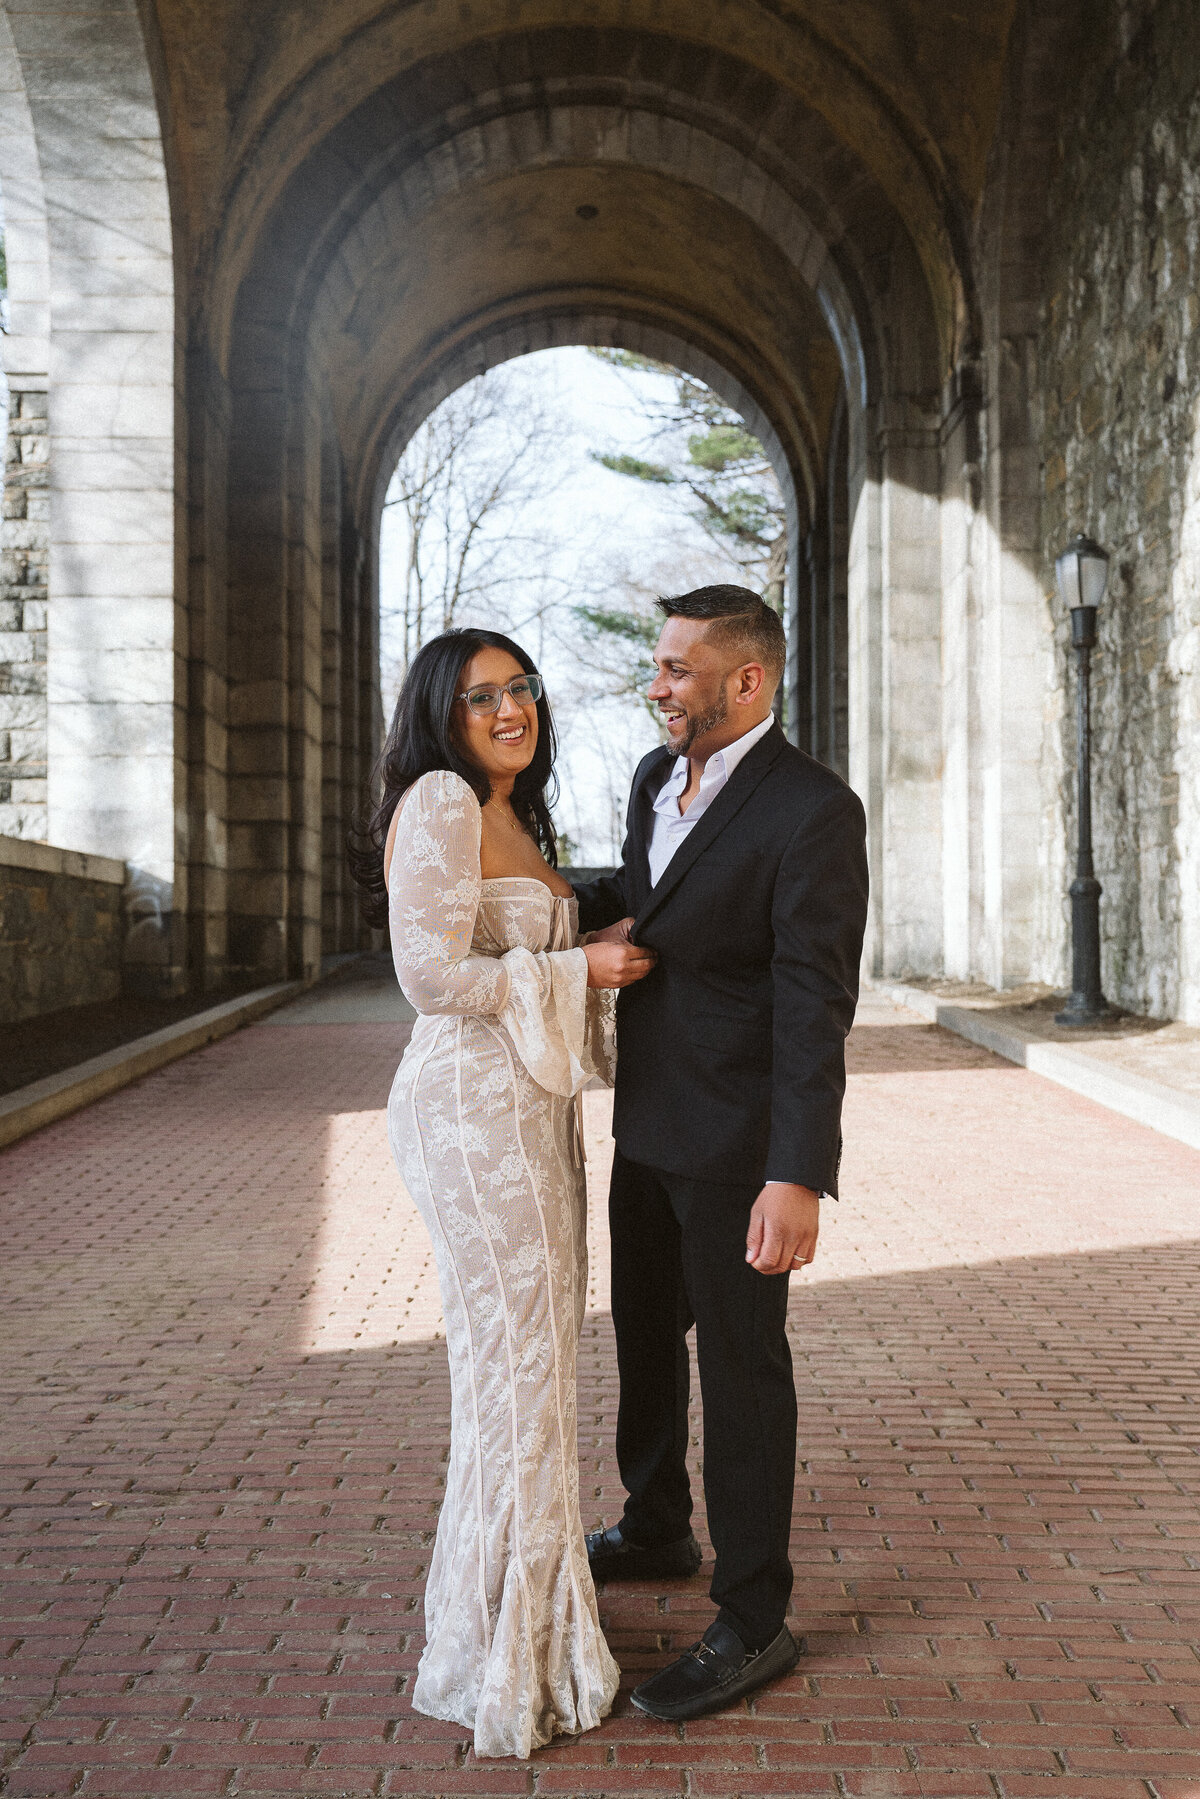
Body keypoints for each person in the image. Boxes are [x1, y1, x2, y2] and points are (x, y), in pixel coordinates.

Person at [350, 628, 654, 1759]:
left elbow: (515, 944)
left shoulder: (510, 810)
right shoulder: (437, 798)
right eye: (482, 695)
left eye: (520, 686)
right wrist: (580, 969)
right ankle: (509, 1647)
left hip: (529, 1113)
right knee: (517, 1369)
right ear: (442, 709)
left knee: (524, 1370)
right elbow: (427, 975)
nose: (509, 707)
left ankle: (498, 1616)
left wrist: (600, 944)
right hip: (473, 1116)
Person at [574, 584, 869, 1723]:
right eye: (656, 665)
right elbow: (650, 892)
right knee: (646, 1331)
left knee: (741, 1371)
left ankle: (754, 1615)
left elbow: (814, 1003)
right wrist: (527, 903)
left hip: (741, 1143)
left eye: (677, 670)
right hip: (646, 1119)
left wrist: (797, 1171)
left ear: (748, 680)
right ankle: (656, 1523)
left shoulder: (813, 812)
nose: (657, 686)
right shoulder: (659, 777)